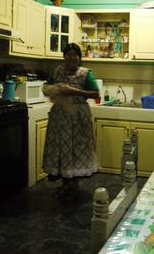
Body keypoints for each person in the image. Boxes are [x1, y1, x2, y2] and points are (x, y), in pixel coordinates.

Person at [42, 43, 99, 198]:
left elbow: (95, 93)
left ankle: (74, 184)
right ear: (64, 56)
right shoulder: (57, 71)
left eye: (75, 54)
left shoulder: (86, 73)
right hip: (60, 116)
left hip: (78, 116)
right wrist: (52, 90)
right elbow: (47, 86)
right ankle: (66, 184)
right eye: (68, 54)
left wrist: (73, 91)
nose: (71, 57)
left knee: (77, 148)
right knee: (62, 148)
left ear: (79, 57)